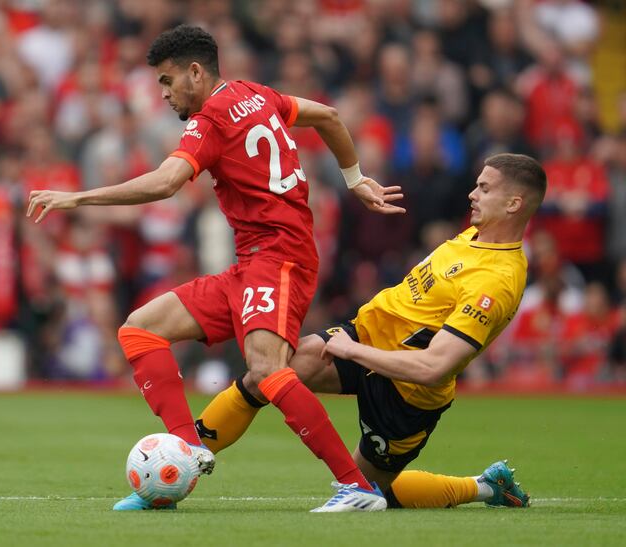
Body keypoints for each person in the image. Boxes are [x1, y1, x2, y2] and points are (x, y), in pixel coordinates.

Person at [27, 24, 405, 512]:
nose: (163, 93)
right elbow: (328, 116)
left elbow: (166, 183)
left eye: (166, 81)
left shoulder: (210, 120)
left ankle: (358, 487)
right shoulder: (256, 94)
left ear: (195, 72)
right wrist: (355, 178)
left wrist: (78, 196)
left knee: (267, 370)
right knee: (139, 330)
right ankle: (185, 456)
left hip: (280, 257)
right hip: (251, 262)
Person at [196, 153, 546, 510]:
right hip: (365, 334)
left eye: (484, 189)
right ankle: (187, 452)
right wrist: (354, 345)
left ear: (513, 204)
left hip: (406, 394)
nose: (473, 194)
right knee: (266, 375)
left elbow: (434, 367)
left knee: (372, 493)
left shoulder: (496, 282)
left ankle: (485, 487)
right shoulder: (477, 234)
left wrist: (351, 352)